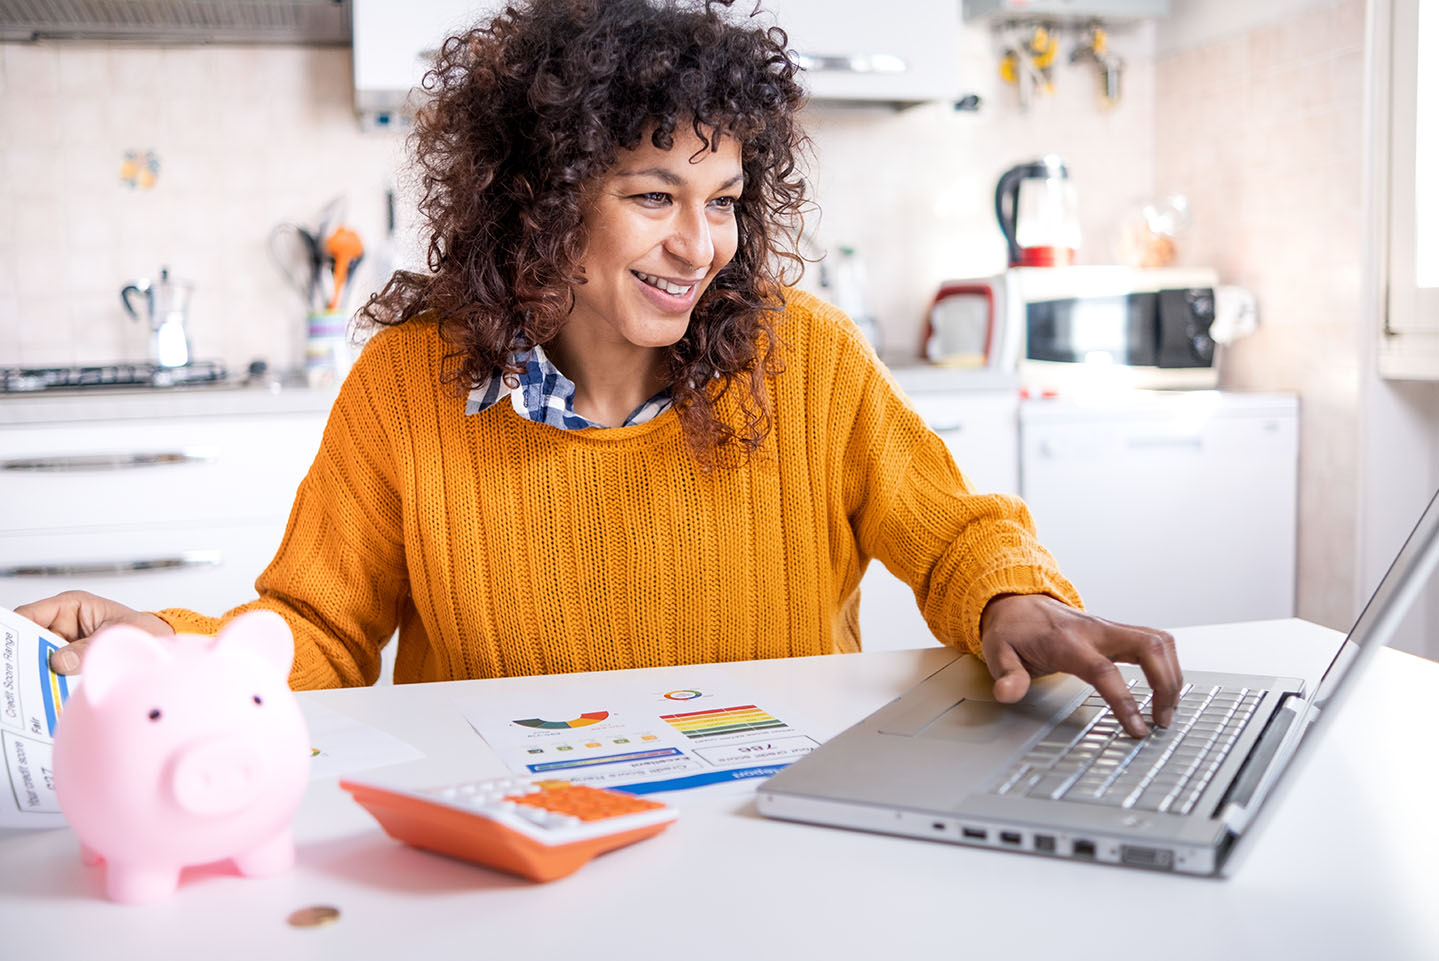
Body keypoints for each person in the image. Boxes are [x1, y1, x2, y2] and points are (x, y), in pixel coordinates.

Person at [18, 0, 1179, 738]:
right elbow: (314, 632)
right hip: (501, 838)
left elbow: (950, 529)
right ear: (541, 206)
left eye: (721, 201)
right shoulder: (407, 385)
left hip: (768, 817)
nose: (699, 244)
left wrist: (1012, 596)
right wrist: (175, 649)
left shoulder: (800, 356)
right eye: (650, 197)